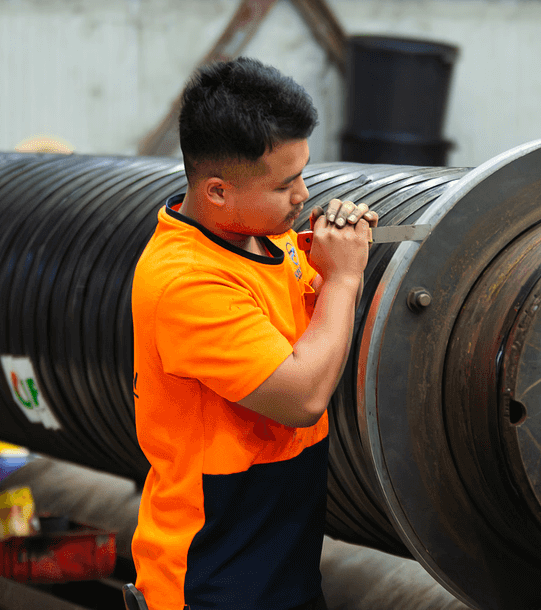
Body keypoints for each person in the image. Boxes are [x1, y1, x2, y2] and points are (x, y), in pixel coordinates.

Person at [126, 57, 375, 610]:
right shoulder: (187, 281)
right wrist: (344, 278)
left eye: (303, 173)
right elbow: (303, 397)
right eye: (284, 184)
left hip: (281, 560)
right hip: (211, 575)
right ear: (216, 192)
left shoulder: (266, 236)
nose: (302, 195)